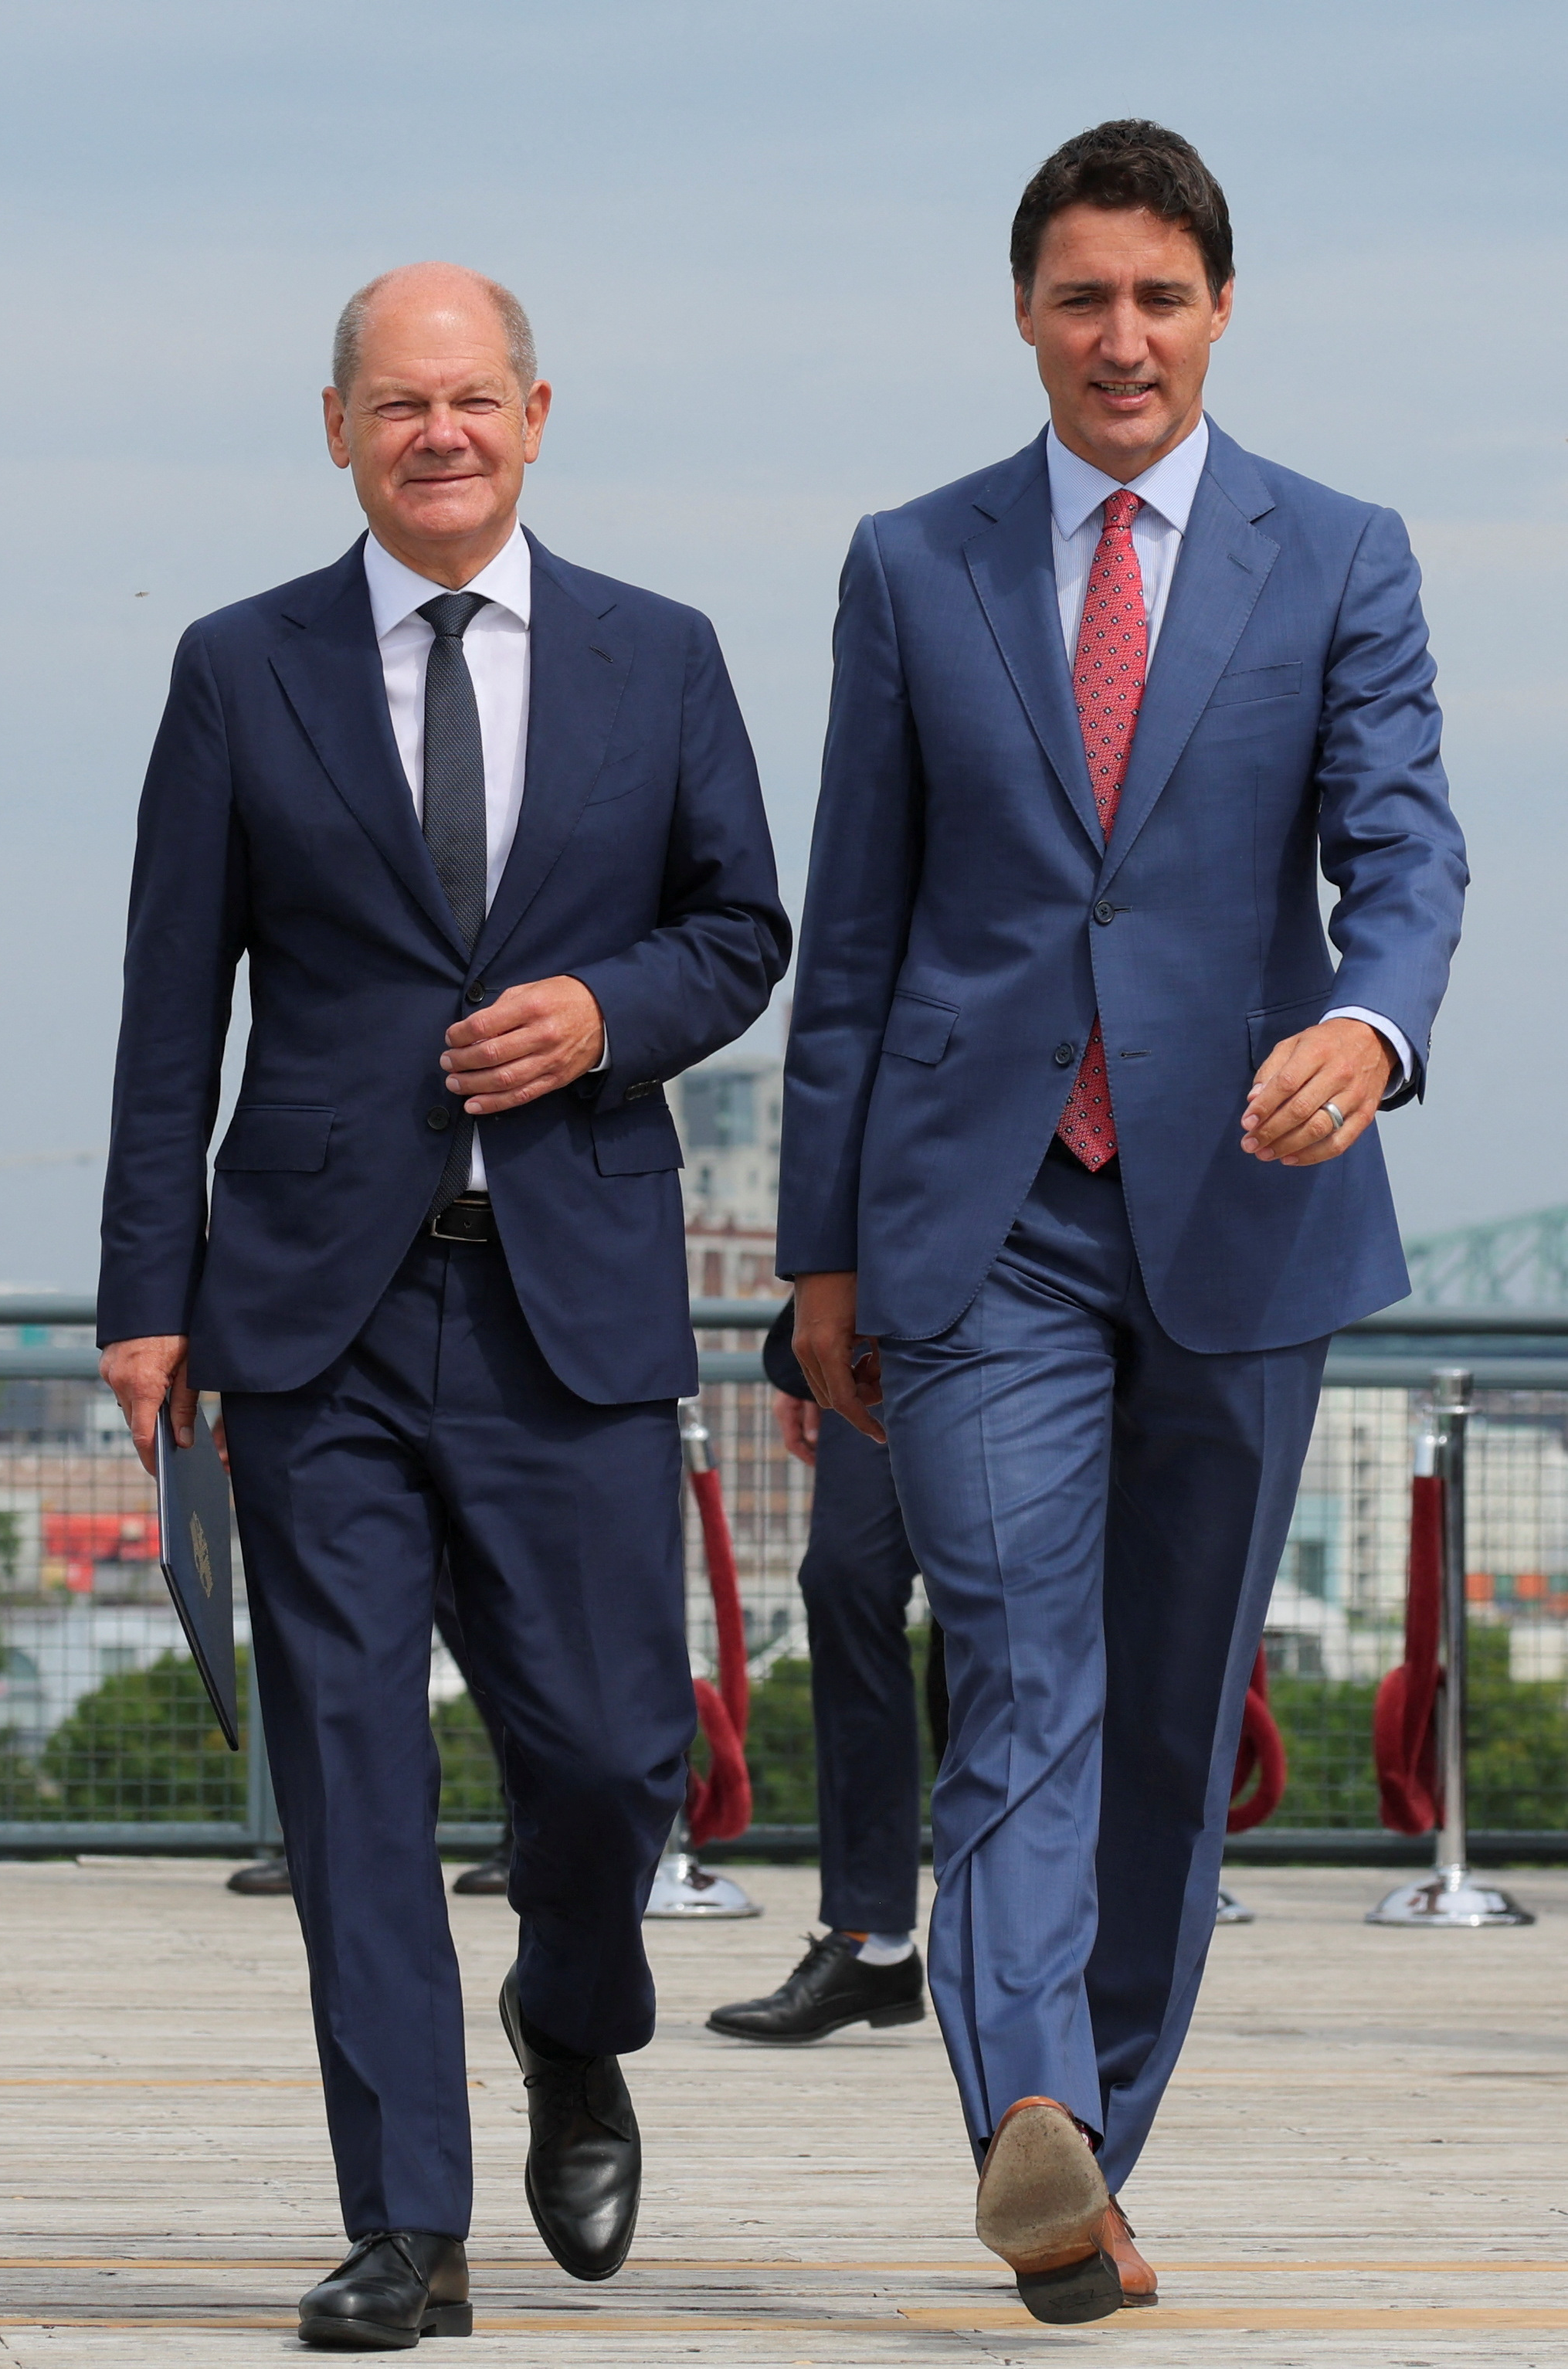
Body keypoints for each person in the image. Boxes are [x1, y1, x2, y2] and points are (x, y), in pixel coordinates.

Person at [779, 122, 1464, 2324]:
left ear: (1218, 313)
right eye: (1080, 296)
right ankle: (1022, 2115)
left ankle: (1080, 2162)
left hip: (1250, 1218)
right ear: (1021, 316)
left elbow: (1405, 850)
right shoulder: (913, 564)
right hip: (983, 1227)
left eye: (1157, 297)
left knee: (1170, 1725)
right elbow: (854, 935)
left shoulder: (1336, 552)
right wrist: (819, 1248)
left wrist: (1367, 1025)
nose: (1119, 336)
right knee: (1016, 1670)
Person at [97, 261, 787, 2349]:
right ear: (336, 429)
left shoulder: (657, 658)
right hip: (308, 1308)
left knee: (606, 1751)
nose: (436, 431)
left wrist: (604, 1015)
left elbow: (743, 927)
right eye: (396, 402)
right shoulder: (240, 669)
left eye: (471, 397)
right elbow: (165, 1010)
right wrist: (147, 1293)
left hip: (565, 1297)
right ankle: (405, 2217)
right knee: (347, 1778)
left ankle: (572, 2017)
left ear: (536, 413)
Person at [705, 1306, 929, 2043]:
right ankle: (873, 1938)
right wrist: (811, 1338)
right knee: (844, 1578)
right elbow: (840, 1186)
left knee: (990, 1616)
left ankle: (1005, 1943)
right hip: (891, 1326)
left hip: (1043, 1302)